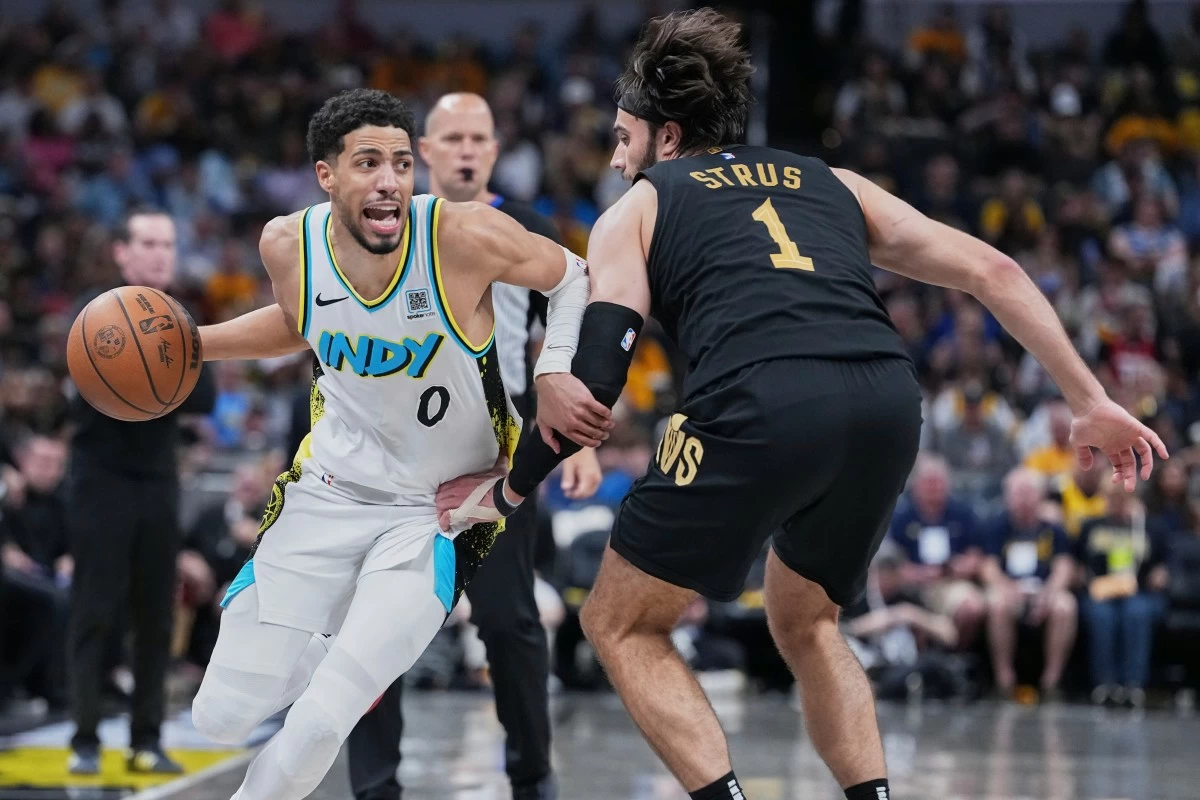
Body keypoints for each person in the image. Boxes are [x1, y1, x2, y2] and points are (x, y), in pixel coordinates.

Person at [438, 9, 1169, 800]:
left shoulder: (641, 208)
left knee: (620, 621)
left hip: (761, 399)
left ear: (669, 136)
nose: (617, 162)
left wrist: (505, 492)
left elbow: (596, 385)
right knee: (806, 618)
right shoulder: (833, 182)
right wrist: (1087, 397)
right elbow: (992, 270)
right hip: (885, 403)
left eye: (623, 138)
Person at [185, 88, 596, 800]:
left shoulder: (463, 236)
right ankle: (330, 652)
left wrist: (555, 369)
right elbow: (300, 320)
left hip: (437, 511)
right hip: (327, 490)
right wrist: (198, 345)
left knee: (321, 723)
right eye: (368, 163)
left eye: (401, 164)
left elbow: (575, 278)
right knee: (218, 717)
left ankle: (515, 767)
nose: (389, 181)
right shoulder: (288, 244)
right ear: (327, 176)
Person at [346, 92, 601, 800]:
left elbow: (570, 322)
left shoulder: (524, 227)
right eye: (451, 137)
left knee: (510, 620)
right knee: (373, 621)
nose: (464, 149)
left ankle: (532, 775)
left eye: (478, 138)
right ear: (424, 151)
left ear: (494, 150)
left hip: (499, 443)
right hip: (397, 450)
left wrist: (576, 434)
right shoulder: (386, 227)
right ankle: (373, 785)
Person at [66, 208, 216, 775]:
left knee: (157, 612)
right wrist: (141, 369)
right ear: (122, 253)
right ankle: (83, 737)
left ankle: (146, 739)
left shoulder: (183, 317)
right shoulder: (96, 313)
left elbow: (202, 402)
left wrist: (164, 363)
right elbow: (87, 392)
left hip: (158, 479)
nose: (160, 254)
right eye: (149, 243)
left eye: (168, 244)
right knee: (94, 608)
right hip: (99, 477)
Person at [980, 468, 1076, 699]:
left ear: (1039, 496)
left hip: (1043, 589)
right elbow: (988, 568)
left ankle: (1051, 680)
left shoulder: (1053, 529)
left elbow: (1064, 567)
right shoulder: (998, 527)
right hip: (1010, 590)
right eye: (1017, 493)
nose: (1022, 499)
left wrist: (1049, 593)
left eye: (1028, 493)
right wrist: (1007, 589)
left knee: (1065, 606)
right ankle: (1004, 679)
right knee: (997, 605)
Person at [1077, 477, 1171, 708]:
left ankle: (1133, 684)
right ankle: (1104, 684)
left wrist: (1161, 573)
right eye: (1112, 498)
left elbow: (1164, 562)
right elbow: (1077, 561)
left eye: (1122, 499)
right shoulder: (1092, 526)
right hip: (1101, 591)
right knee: (1102, 617)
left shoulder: (1148, 527)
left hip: (1139, 592)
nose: (1116, 503)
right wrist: (1080, 575)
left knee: (1136, 614)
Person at [886, 453, 987, 651]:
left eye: (938, 483)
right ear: (916, 485)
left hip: (952, 583)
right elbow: (892, 565)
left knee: (972, 607)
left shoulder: (962, 513)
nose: (933, 489)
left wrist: (961, 566)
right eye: (928, 483)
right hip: (914, 585)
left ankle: (955, 655)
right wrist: (921, 573)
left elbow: (977, 555)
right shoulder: (902, 516)